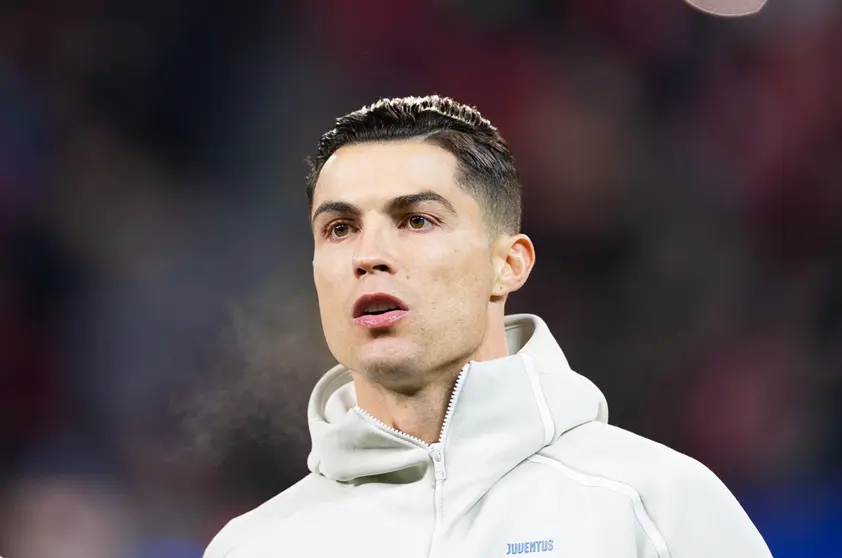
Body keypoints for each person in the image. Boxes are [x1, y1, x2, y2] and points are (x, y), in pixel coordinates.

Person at [203, 95, 773, 558]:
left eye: (416, 220)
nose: (368, 254)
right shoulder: (254, 547)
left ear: (509, 264)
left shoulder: (652, 505)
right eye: (339, 228)